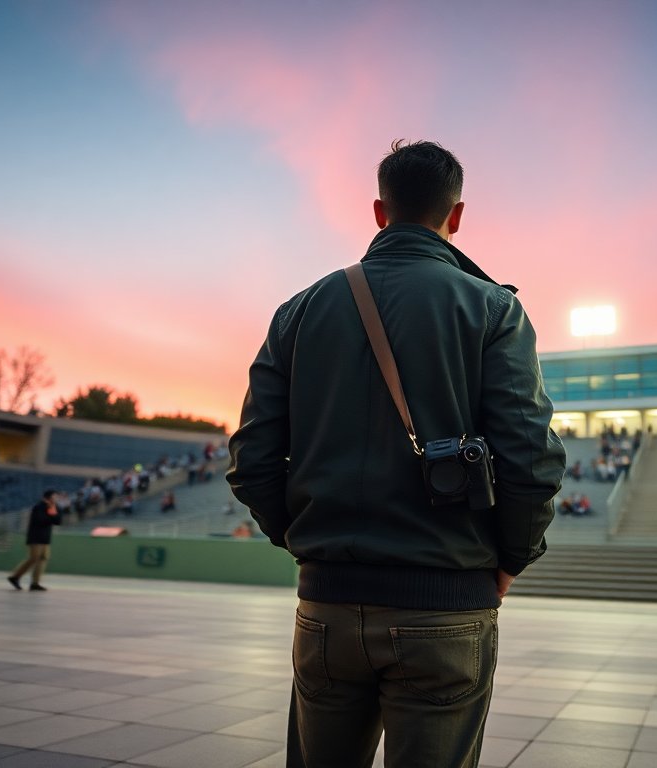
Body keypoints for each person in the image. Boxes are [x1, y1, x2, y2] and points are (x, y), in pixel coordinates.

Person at [226, 140, 565, 768]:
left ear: (379, 211)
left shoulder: (297, 311)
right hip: (446, 604)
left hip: (325, 603)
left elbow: (250, 458)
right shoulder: (493, 309)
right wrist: (511, 558)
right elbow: (531, 458)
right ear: (456, 216)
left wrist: (307, 538)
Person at [7, 489, 61, 592]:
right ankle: (15, 577)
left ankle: (35, 583)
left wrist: (52, 512)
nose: (56, 498)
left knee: (43, 558)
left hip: (45, 538)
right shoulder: (39, 507)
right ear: (48, 497)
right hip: (35, 537)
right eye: (55, 496)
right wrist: (51, 515)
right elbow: (41, 520)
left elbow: (58, 521)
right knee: (34, 558)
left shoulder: (54, 507)